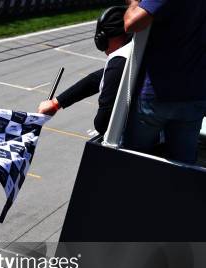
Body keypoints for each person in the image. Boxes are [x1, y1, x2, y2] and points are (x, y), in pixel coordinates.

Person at [122, 0, 206, 164]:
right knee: (183, 167)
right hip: (195, 95)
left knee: (132, 162)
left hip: (158, 95)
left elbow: (131, 23)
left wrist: (133, 3)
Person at [38, 6, 132, 135]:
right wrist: (57, 102)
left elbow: (103, 123)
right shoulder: (135, 50)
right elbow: (95, 79)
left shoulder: (119, 62)